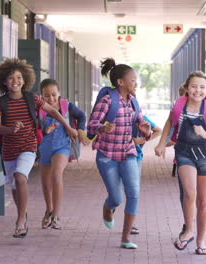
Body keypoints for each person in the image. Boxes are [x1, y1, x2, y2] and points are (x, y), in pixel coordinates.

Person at [0, 58, 78, 238]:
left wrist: (68, 127)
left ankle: (20, 221)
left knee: (21, 177)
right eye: (10, 78)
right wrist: (10, 129)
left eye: (19, 77)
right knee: (15, 185)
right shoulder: (0, 103)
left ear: (25, 79)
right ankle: (22, 213)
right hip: (8, 150)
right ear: (4, 82)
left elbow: (53, 111)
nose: (15, 81)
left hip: (28, 147)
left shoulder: (32, 98)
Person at [155, 71, 206, 255]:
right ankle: (189, 230)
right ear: (186, 88)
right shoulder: (178, 105)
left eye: (202, 87)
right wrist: (161, 144)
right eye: (193, 86)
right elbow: (169, 123)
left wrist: (205, 134)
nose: (197, 90)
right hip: (184, 154)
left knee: (203, 201)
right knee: (190, 193)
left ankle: (201, 241)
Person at [87, 58, 152, 249]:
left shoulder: (134, 103)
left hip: (128, 153)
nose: (136, 84)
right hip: (107, 155)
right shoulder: (108, 100)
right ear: (120, 82)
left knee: (133, 194)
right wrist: (103, 128)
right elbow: (91, 125)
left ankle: (125, 238)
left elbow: (141, 125)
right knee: (116, 198)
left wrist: (145, 130)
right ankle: (108, 208)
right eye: (133, 80)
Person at [37, 78, 89, 230]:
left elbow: (82, 116)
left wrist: (79, 129)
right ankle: (49, 210)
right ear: (41, 96)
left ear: (59, 93)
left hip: (62, 147)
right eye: (47, 96)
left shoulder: (67, 106)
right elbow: (36, 129)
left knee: (56, 174)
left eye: (54, 94)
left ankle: (56, 216)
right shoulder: (38, 109)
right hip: (44, 148)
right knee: (46, 184)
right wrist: (45, 130)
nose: (51, 99)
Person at [130, 115, 162, 235]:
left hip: (135, 157)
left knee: (134, 190)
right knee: (117, 192)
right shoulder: (115, 113)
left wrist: (142, 140)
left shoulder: (141, 118)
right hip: (116, 156)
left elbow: (159, 130)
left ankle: (131, 223)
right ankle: (112, 203)